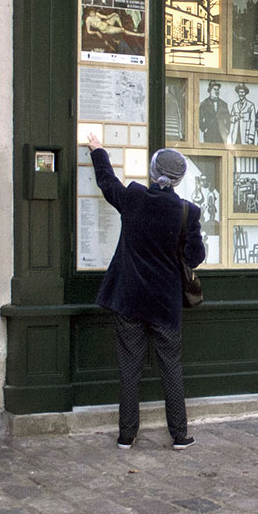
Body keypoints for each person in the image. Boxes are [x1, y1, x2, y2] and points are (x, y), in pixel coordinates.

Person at [86, 132, 205, 451]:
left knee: (129, 368)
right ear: (179, 180)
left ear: (152, 173)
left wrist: (99, 151)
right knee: (171, 367)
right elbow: (195, 257)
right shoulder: (187, 212)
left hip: (129, 299)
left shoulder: (135, 198)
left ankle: (126, 435)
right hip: (165, 304)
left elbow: (108, 184)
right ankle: (180, 435)